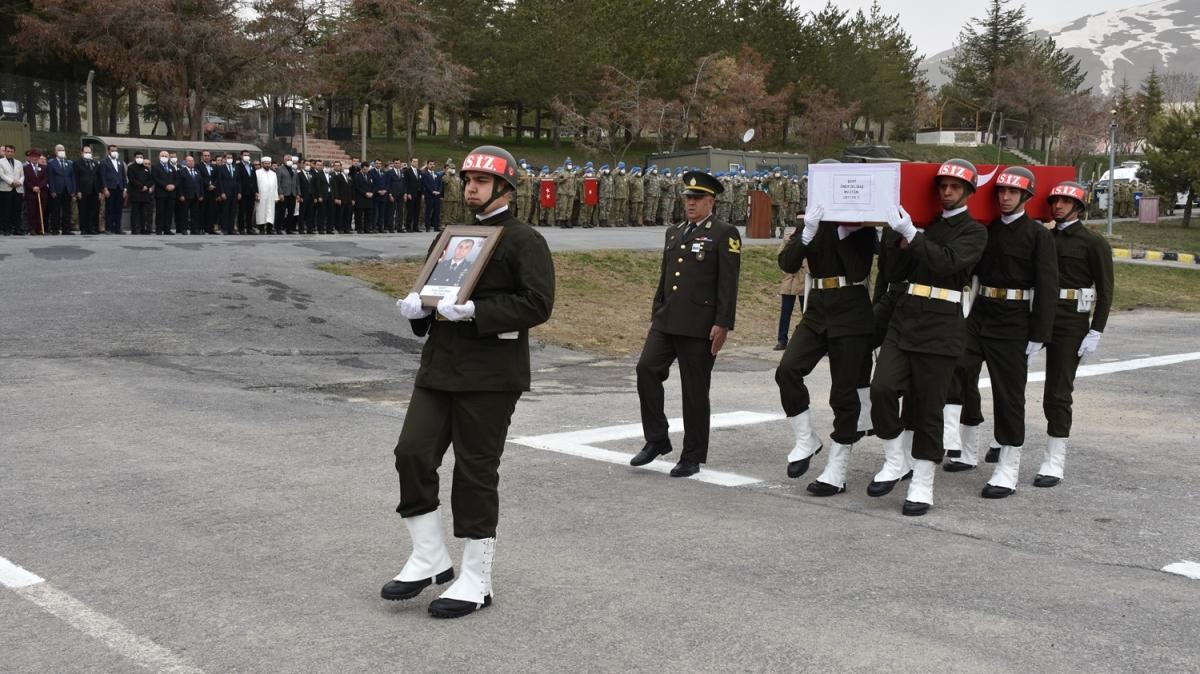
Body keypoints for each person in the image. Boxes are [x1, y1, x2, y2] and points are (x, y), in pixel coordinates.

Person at [384, 144, 555, 619]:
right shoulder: (451, 236)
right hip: (440, 367)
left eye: (480, 182)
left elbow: (538, 304)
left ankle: (476, 578)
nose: (472, 189)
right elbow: (432, 290)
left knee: (475, 472)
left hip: (491, 375)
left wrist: (480, 311)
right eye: (468, 181)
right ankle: (429, 556)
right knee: (412, 453)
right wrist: (418, 308)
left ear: (504, 187)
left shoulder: (524, 240)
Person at [868, 159, 987, 516]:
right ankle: (895, 459)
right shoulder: (924, 226)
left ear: (967, 192)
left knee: (929, 408)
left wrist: (913, 236)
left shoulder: (975, 231)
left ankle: (922, 482)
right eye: (943, 186)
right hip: (906, 319)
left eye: (955, 187)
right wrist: (895, 235)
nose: (947, 192)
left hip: (942, 326)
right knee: (883, 388)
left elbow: (947, 263)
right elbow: (892, 272)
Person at [942, 166, 1058, 502]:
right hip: (981, 314)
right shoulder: (987, 231)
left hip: (1015, 320)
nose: (1005, 198)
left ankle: (1008, 467)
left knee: (1009, 395)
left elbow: (1047, 286)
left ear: (1025, 197)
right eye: (1001, 192)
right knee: (956, 366)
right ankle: (964, 446)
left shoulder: (1038, 236)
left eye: (1012, 193)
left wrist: (1040, 333)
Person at [630, 171, 741, 478]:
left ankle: (691, 456)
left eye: (697, 199)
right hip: (667, 320)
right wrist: (657, 310)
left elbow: (728, 283)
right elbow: (666, 276)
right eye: (687, 198)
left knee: (694, 391)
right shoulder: (675, 231)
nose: (690, 204)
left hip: (700, 324)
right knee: (646, 369)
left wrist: (723, 323)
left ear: (711, 201)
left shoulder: (724, 233)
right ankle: (656, 439)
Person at [775, 194, 877, 493]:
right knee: (788, 370)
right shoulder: (812, 220)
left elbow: (858, 270)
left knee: (844, 394)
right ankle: (806, 438)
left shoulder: (862, 223)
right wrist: (806, 234)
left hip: (851, 309)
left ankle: (837, 469)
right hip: (817, 308)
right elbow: (787, 263)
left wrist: (848, 232)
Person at [1036, 181, 1114, 488]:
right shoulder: (1043, 237)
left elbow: (1106, 290)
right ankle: (1004, 440)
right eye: (1055, 201)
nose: (1058, 205)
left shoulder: (1093, 242)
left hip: (1071, 321)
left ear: (1079, 207)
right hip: (1036, 315)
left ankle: (1054, 460)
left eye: (1066, 202)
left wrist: (1096, 329)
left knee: (1057, 392)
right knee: (1010, 380)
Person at [775, 233, 805, 351]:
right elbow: (780, 255)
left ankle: (808, 341)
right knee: (785, 313)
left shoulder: (810, 235)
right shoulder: (789, 237)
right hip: (790, 279)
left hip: (804, 278)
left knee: (807, 313)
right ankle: (782, 340)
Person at [47, 145, 76, 234]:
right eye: (59, 150)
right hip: (57, 189)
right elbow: (50, 178)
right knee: (55, 210)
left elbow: (73, 177)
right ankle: (55, 229)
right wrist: (52, 190)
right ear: (55, 152)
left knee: (67, 210)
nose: (61, 151)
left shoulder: (70, 163)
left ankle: (66, 229)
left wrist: (73, 190)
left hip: (68, 189)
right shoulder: (51, 163)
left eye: (63, 150)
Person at [99, 145, 127, 235]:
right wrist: (105, 188)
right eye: (112, 150)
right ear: (108, 151)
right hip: (110, 188)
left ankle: (117, 228)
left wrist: (125, 189)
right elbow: (102, 176)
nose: (114, 152)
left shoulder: (120, 162)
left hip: (119, 188)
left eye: (116, 150)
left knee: (118, 209)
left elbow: (123, 176)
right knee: (109, 209)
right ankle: (109, 228)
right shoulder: (104, 162)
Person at [74, 145, 102, 235]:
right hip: (83, 190)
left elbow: (99, 177)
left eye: (89, 152)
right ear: (82, 153)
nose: (88, 154)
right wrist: (77, 190)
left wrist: (100, 191)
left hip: (94, 190)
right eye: (86, 152)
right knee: (83, 210)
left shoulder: (95, 163)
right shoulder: (77, 163)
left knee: (93, 210)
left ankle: (91, 228)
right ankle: (84, 228)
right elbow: (76, 178)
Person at [23, 149, 49, 235]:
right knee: (32, 211)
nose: (34, 158)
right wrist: (32, 187)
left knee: (40, 211)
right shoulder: (26, 168)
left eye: (36, 157)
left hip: (41, 192)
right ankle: (32, 229)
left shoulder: (43, 167)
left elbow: (45, 179)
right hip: (31, 193)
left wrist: (39, 186)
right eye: (33, 157)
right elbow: (26, 181)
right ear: (29, 158)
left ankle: (40, 228)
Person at [150, 151, 176, 234]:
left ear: (169, 157)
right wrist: (165, 186)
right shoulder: (155, 167)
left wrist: (173, 185)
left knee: (169, 212)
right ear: (159, 157)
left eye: (166, 156)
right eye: (162, 155)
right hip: (161, 193)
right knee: (160, 212)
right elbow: (155, 178)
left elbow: (177, 178)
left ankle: (167, 229)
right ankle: (159, 229)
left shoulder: (172, 167)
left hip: (171, 193)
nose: (164, 157)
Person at [127, 151, 153, 235]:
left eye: (141, 157)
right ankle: (134, 229)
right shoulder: (131, 168)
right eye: (138, 157)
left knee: (144, 212)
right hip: (135, 192)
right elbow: (132, 179)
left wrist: (146, 186)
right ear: (134, 158)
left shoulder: (146, 168)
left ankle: (143, 228)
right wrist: (141, 186)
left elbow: (150, 180)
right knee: (135, 212)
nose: (139, 159)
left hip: (145, 194)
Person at [0, 145, 23, 235]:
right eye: (8, 151)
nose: (10, 153)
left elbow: (22, 175)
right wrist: (12, 182)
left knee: (17, 210)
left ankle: (17, 228)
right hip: (6, 188)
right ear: (5, 152)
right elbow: (1, 174)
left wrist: (20, 182)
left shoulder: (19, 162)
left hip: (18, 189)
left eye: (11, 151)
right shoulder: (0, 162)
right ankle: (6, 229)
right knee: (6, 210)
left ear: (14, 152)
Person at [255, 156, 280, 233]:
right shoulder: (257, 173)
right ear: (262, 164)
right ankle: (261, 229)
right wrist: (256, 194)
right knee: (261, 211)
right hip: (261, 196)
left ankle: (269, 228)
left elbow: (276, 186)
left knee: (270, 212)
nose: (267, 165)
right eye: (265, 163)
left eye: (268, 164)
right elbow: (255, 185)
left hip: (271, 196)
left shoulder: (273, 174)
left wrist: (276, 197)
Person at [216, 154, 240, 234]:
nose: (230, 159)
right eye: (228, 158)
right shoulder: (221, 168)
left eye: (231, 158)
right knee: (225, 211)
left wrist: (239, 192)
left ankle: (231, 228)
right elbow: (220, 181)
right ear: (224, 159)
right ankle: (225, 228)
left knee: (233, 211)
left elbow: (238, 181)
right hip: (226, 193)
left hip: (234, 193)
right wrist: (222, 192)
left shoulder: (235, 167)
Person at [275, 155, 298, 234]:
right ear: (284, 160)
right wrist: (280, 193)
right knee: (281, 212)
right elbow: (278, 182)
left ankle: (289, 229)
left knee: (291, 212)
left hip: (292, 194)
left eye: (290, 159)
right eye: (287, 159)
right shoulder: (280, 169)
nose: (289, 161)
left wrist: (298, 193)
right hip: (284, 194)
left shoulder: (294, 170)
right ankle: (278, 228)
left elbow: (296, 183)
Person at [236, 151, 258, 234]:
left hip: (251, 192)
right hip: (243, 192)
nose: (247, 157)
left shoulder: (251, 166)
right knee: (242, 211)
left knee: (250, 211)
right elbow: (238, 180)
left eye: (248, 155)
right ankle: (241, 228)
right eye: (245, 155)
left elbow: (254, 179)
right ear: (241, 156)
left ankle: (249, 228)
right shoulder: (238, 166)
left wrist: (256, 191)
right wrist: (239, 191)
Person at [421, 159, 443, 232]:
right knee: (428, 211)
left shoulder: (438, 174)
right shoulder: (425, 174)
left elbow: (440, 184)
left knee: (437, 211)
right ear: (427, 165)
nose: (432, 165)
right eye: (430, 164)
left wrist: (439, 191)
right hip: (429, 195)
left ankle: (436, 226)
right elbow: (426, 184)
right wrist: (432, 191)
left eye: (433, 164)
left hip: (437, 196)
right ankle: (427, 226)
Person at [330, 161, 352, 233]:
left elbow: (351, 188)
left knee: (347, 214)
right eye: (345, 168)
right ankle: (340, 228)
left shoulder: (349, 177)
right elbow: (336, 188)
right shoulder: (338, 177)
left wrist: (352, 199)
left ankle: (346, 228)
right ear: (342, 168)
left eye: (347, 168)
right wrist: (337, 198)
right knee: (340, 215)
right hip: (341, 199)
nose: (346, 169)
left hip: (348, 199)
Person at [351, 163, 373, 234]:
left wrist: (371, 192)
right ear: (362, 168)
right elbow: (357, 187)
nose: (366, 170)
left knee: (368, 215)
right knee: (359, 215)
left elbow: (372, 185)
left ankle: (367, 229)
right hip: (360, 198)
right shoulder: (357, 176)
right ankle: (359, 228)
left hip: (369, 198)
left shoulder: (369, 175)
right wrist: (365, 193)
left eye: (367, 168)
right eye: (365, 169)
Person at [403, 157, 423, 232]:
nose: (416, 163)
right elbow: (406, 183)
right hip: (411, 194)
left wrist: (422, 193)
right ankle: (408, 227)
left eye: (417, 162)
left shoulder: (419, 171)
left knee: (417, 211)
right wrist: (408, 193)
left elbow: (421, 182)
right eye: (414, 161)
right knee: (410, 211)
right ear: (411, 162)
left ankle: (415, 227)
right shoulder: (407, 171)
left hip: (418, 194)